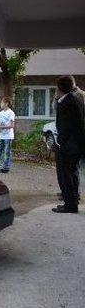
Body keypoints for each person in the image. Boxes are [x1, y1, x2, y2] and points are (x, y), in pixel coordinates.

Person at [52, 76, 85, 214]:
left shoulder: (67, 102)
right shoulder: (74, 99)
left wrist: (60, 142)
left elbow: (66, 127)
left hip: (69, 147)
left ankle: (70, 205)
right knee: (72, 173)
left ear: (59, 88)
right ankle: (72, 201)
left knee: (65, 175)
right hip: (76, 145)